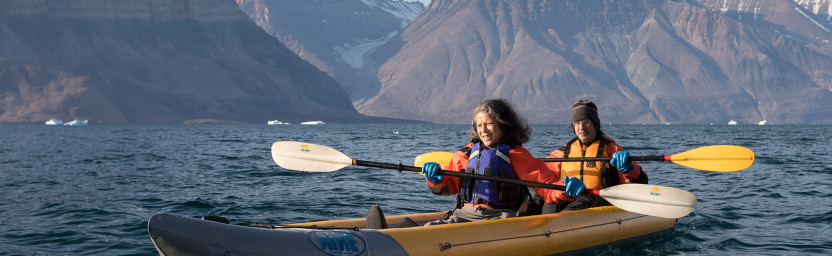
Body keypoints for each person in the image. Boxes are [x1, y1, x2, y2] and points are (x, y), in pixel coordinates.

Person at [419, 99, 586, 225]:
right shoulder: (466, 154)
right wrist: (436, 179)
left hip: (500, 219)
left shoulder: (516, 154)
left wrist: (565, 190)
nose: (483, 130)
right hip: (464, 214)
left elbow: (547, 186)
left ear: (503, 125)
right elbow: (449, 187)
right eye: (479, 125)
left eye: (489, 124)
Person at [542, 99, 648, 213]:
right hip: (571, 198)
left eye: (586, 122)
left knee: (585, 200)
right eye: (577, 123)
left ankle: (559, 224)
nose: (581, 128)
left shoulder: (612, 150)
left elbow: (640, 184)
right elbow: (542, 176)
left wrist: (630, 169)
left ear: (595, 124)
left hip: (601, 201)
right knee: (545, 200)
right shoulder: (564, 152)